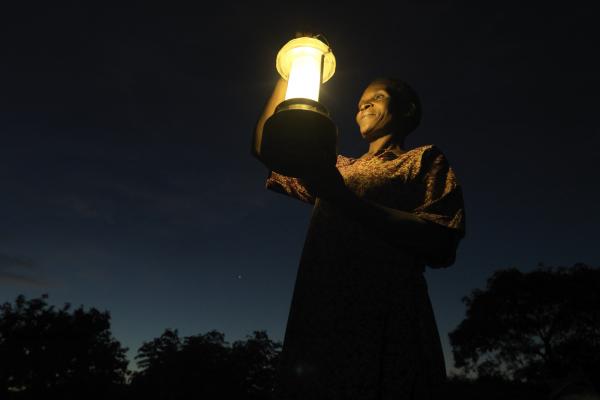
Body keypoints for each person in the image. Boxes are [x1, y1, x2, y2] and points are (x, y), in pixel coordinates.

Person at [253, 77, 466, 399]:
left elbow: (440, 242)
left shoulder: (421, 160)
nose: (363, 105)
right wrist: (291, 71)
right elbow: (265, 149)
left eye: (376, 98)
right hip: (319, 316)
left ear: (407, 110)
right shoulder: (334, 167)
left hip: (388, 320)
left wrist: (343, 197)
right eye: (359, 103)